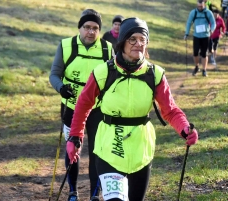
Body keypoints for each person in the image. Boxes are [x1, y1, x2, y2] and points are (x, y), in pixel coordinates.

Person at [66, 17, 199, 201]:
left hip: (141, 151)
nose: (138, 44)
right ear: (122, 42)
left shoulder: (155, 74)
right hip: (109, 150)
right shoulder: (103, 72)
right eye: (132, 39)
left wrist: (185, 128)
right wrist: (75, 135)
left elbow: (170, 110)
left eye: (142, 39)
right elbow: (83, 104)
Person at [49, 8, 114, 201]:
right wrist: (61, 88)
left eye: (95, 28)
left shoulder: (107, 49)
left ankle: (96, 192)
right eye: (87, 27)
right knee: (72, 148)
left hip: (97, 108)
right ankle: (72, 191)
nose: (91, 32)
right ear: (80, 28)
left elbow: (113, 78)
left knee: (97, 150)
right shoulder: (66, 46)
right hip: (71, 106)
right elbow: (54, 74)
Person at [185, 0, 216, 77]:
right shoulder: (193, 13)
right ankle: (196, 66)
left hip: (205, 36)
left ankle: (204, 70)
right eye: (198, 6)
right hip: (196, 36)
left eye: (201, 6)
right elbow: (189, 23)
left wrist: (212, 30)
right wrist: (186, 33)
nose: (200, 8)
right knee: (195, 53)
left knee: (204, 54)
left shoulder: (208, 13)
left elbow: (213, 23)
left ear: (204, 4)